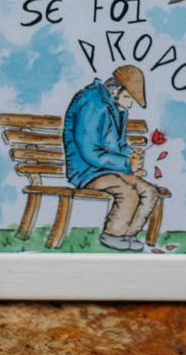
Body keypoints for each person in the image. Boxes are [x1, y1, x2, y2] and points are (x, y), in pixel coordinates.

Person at [62, 64, 160, 251]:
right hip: (87, 171)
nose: (129, 105)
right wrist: (126, 164)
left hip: (110, 169)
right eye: (127, 97)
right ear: (115, 90)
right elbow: (89, 151)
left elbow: (118, 144)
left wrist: (131, 157)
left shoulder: (117, 107)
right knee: (128, 192)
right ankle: (112, 235)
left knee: (149, 191)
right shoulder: (91, 103)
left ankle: (128, 234)